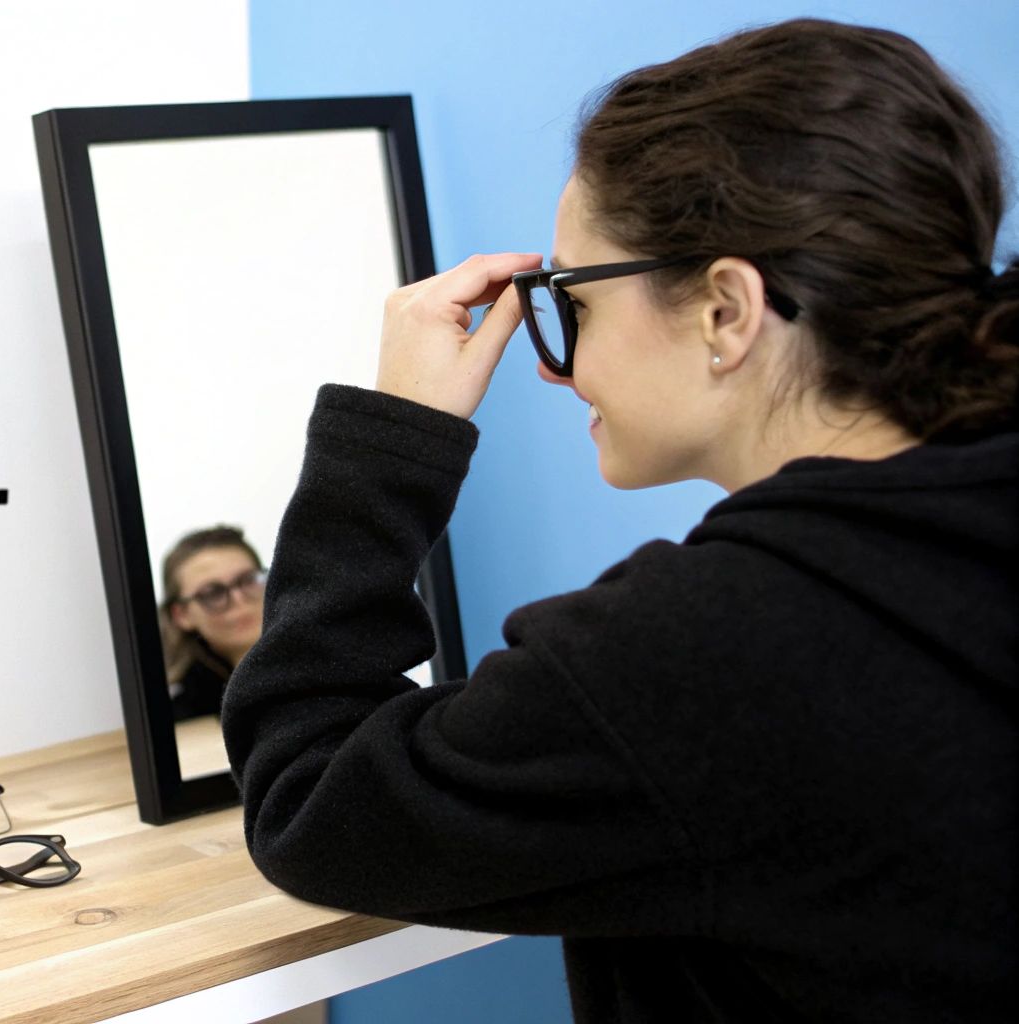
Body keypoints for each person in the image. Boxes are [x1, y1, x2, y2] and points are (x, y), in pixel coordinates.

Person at [222, 18, 1017, 1023]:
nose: (560, 364)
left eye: (572, 300)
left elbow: (310, 806)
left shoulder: (709, 650)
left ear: (725, 310)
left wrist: (386, 442)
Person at [159, 525, 267, 720]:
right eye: (212, 593)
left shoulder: (328, 658)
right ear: (181, 615)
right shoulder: (178, 713)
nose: (238, 600)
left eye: (248, 580)